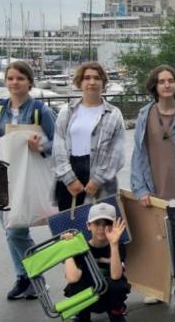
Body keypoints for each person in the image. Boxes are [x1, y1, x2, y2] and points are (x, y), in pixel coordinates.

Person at [0, 61, 57, 301]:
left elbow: (59, 143)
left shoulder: (41, 111)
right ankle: (24, 277)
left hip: (29, 176)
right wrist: (6, 142)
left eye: (20, 78)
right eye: (11, 78)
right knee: (10, 229)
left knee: (16, 231)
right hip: (3, 177)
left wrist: (40, 146)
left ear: (30, 82)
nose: (15, 82)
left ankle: (34, 277)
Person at [130, 65, 175, 304]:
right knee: (157, 238)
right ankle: (157, 288)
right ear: (154, 85)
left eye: (171, 80)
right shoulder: (145, 114)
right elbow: (138, 153)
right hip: (154, 183)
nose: (166, 85)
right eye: (162, 81)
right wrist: (140, 189)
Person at [52, 62, 126, 211]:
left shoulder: (114, 114)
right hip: (70, 173)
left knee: (102, 222)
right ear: (80, 82)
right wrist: (69, 179)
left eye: (97, 78)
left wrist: (97, 180)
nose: (92, 82)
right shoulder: (67, 111)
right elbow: (58, 146)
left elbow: (117, 153)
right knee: (70, 223)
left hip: (101, 177)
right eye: (87, 78)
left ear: (103, 82)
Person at [62, 203, 131, 322]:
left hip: (109, 294)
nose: (101, 228)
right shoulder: (79, 247)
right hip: (88, 292)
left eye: (107, 223)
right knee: (74, 286)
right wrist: (68, 249)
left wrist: (114, 244)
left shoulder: (118, 245)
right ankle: (83, 318)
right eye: (97, 223)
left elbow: (116, 275)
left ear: (113, 226)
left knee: (118, 284)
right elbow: (72, 278)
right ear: (88, 225)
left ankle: (116, 314)